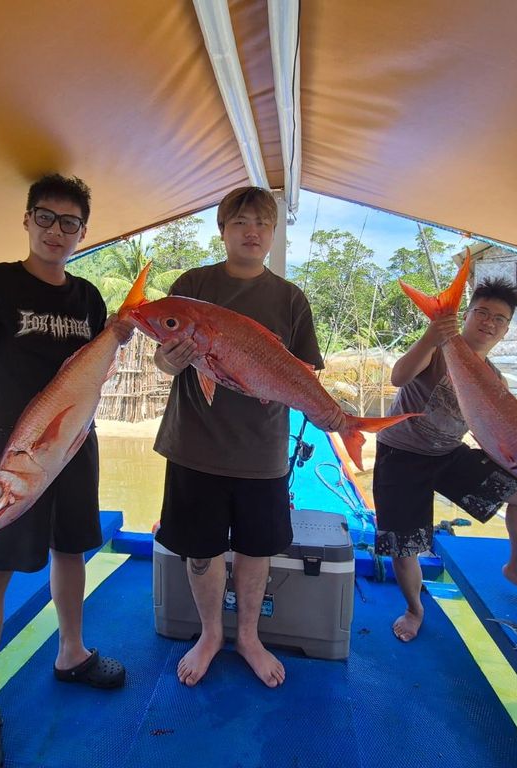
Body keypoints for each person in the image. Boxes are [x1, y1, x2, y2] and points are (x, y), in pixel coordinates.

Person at [0, 173, 132, 768]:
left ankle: (72, 652)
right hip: (14, 455)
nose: (57, 231)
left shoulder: (88, 299)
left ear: (83, 232)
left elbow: (94, 370)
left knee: (71, 551)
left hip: (75, 448)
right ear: (27, 220)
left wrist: (124, 336)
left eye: (70, 223)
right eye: (47, 218)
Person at [152, 186, 338, 688]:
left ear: (273, 232)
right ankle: (211, 633)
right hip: (194, 446)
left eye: (261, 223)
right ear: (223, 230)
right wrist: (165, 359)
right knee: (199, 550)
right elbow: (165, 353)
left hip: (262, 451)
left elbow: (304, 373)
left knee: (257, 549)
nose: (251, 232)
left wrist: (327, 411)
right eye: (240, 223)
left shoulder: (290, 298)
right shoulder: (192, 284)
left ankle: (249, 636)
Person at [373, 277, 517, 643]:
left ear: (505, 331)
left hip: (447, 452)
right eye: (481, 313)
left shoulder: (494, 378)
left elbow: (495, 430)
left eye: (499, 319)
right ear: (466, 316)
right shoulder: (437, 351)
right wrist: (432, 336)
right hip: (401, 454)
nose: (489, 322)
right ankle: (414, 609)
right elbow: (398, 376)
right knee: (404, 545)